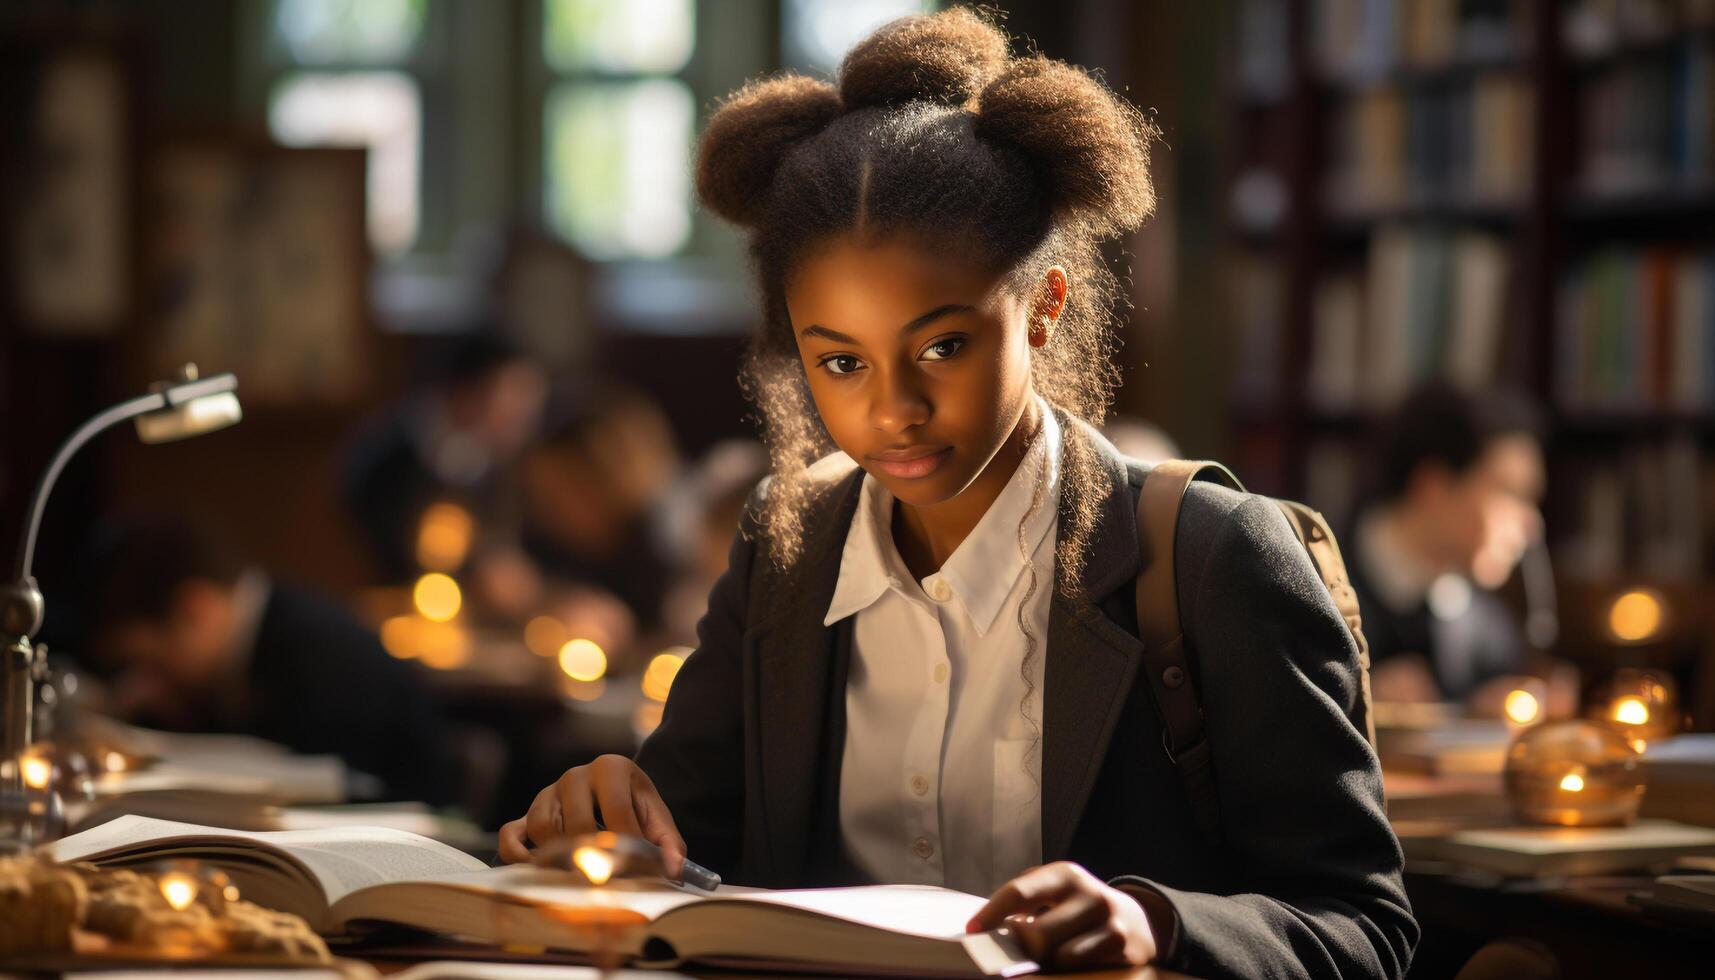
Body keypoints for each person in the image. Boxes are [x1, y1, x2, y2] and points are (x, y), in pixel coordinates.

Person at [499, 10, 1416, 978]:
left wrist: (1158, 921)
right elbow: (687, 859)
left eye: (941, 346)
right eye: (840, 360)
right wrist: (606, 816)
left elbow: (1368, 926)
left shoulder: (1212, 558)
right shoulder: (784, 554)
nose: (891, 408)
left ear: (1044, 307)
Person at [80, 517, 464, 807]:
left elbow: (321, 792)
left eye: (150, 663)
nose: (144, 682)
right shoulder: (263, 633)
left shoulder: (319, 655)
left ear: (196, 609)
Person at [1347, 383, 1568, 712]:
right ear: (1433, 487)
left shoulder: (1489, 631)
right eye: (1509, 493)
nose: (1531, 524)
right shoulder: (1311, 581)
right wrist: (1352, 699)